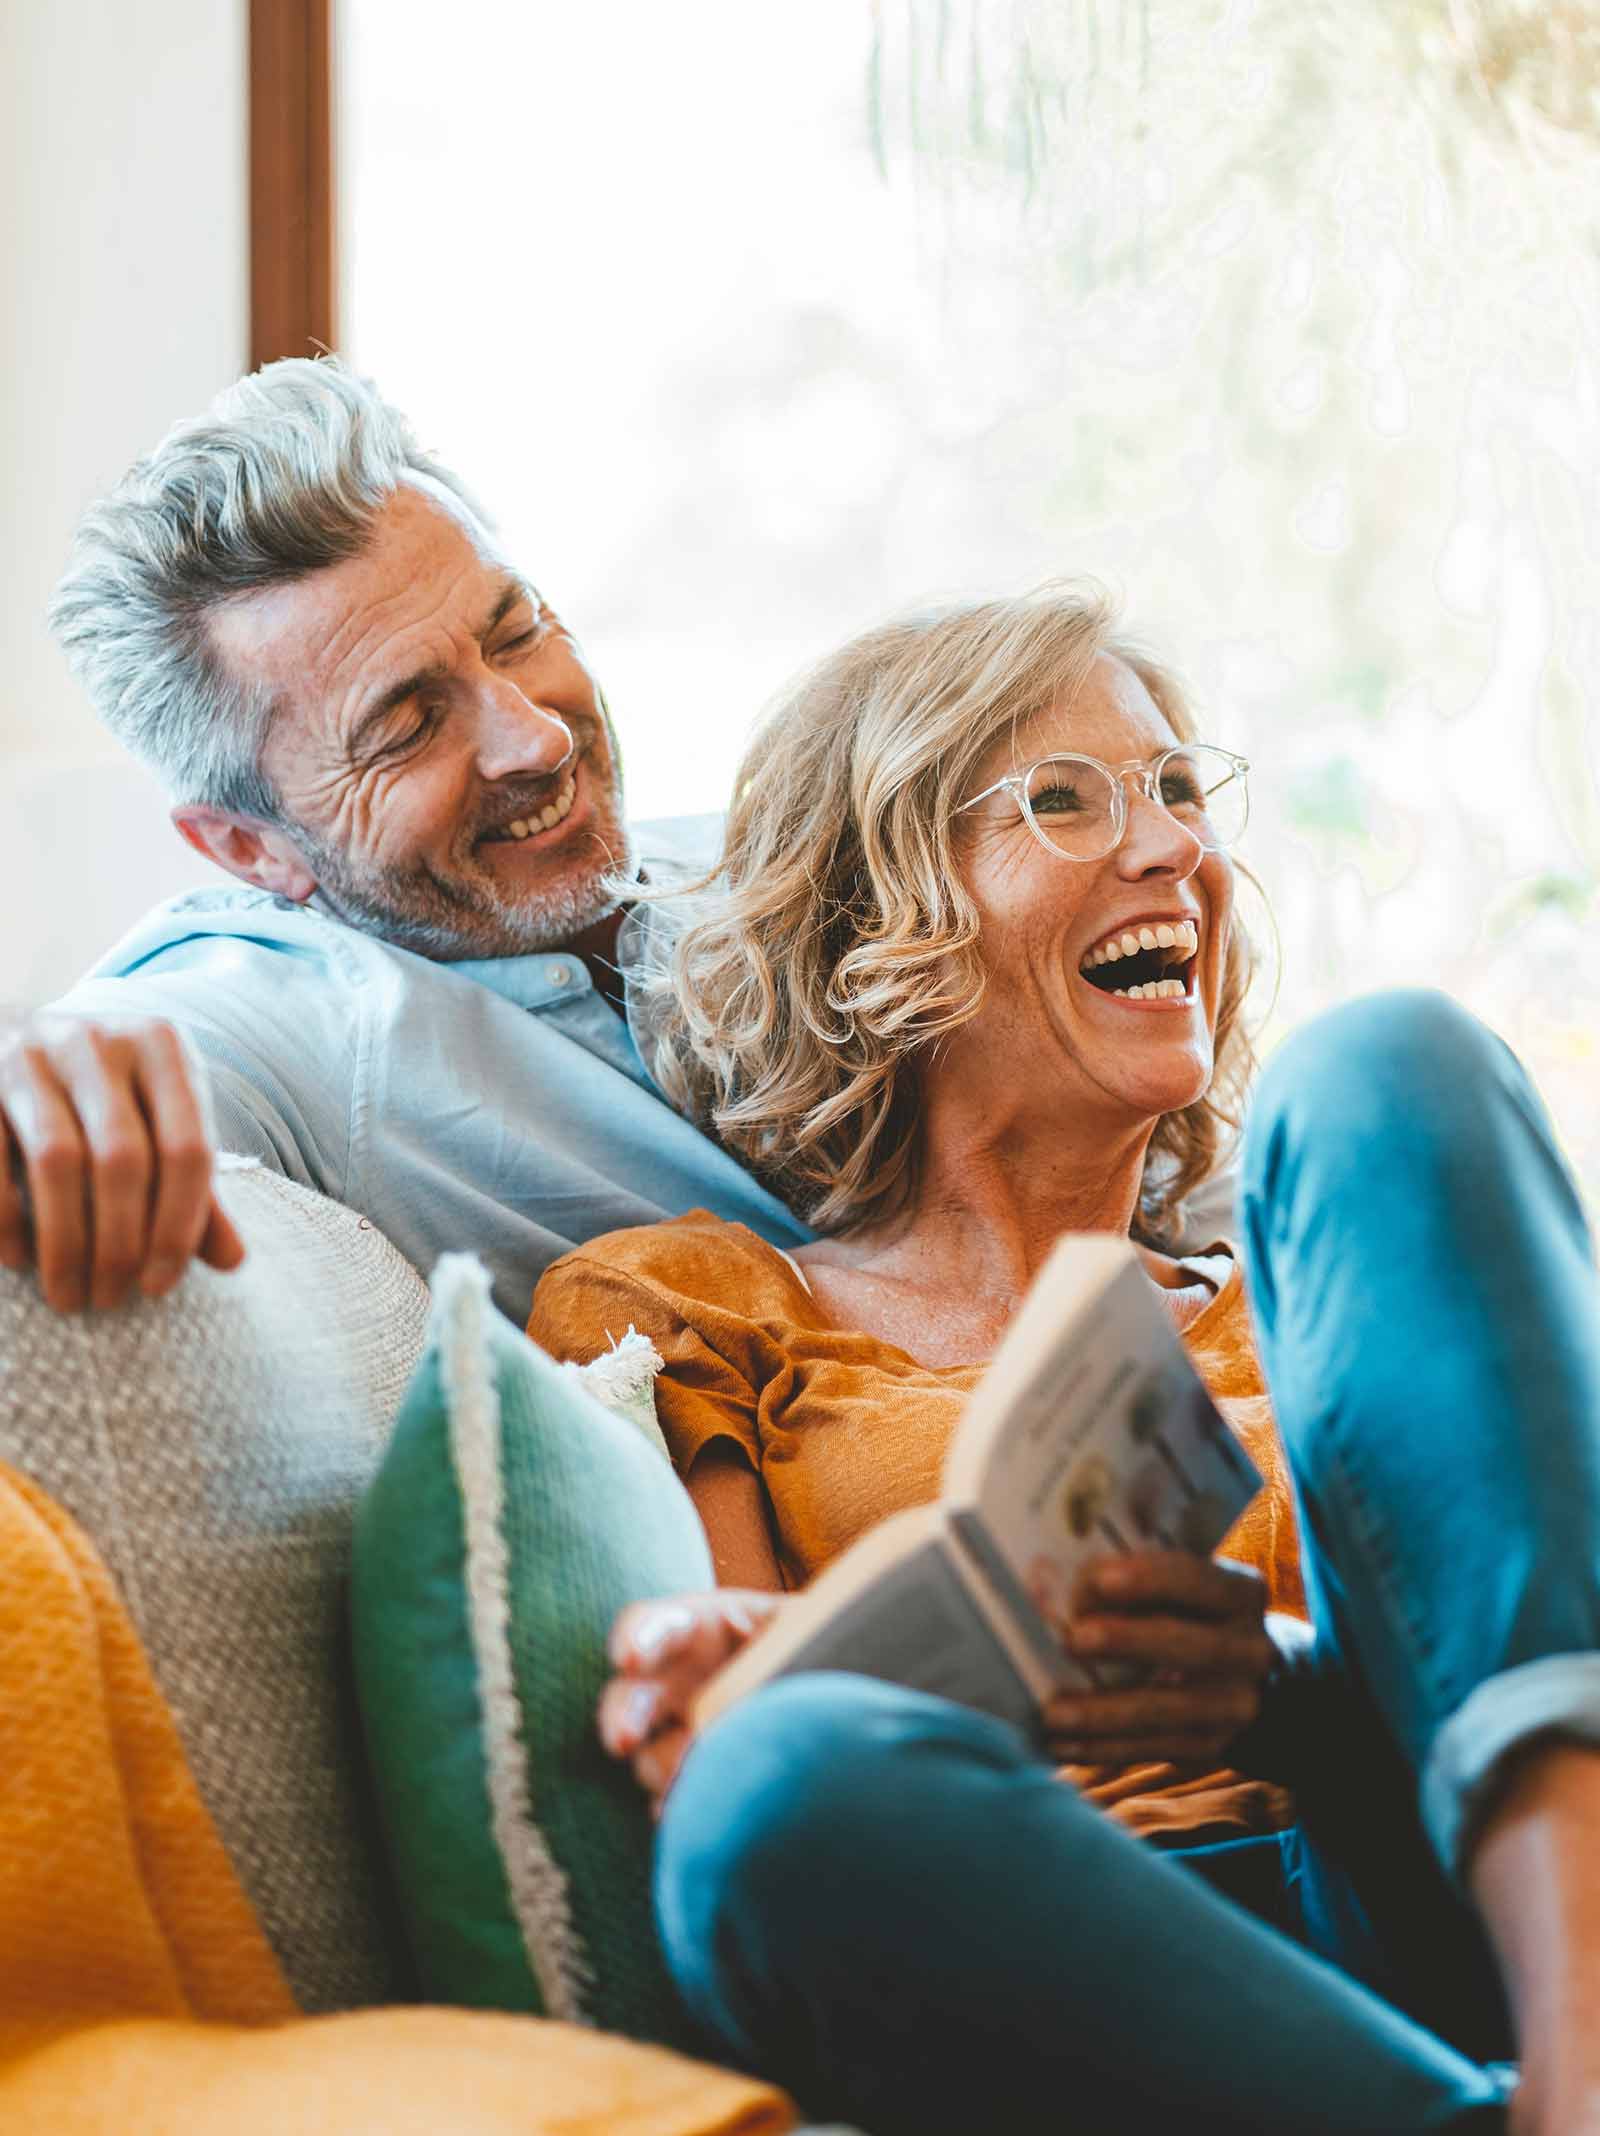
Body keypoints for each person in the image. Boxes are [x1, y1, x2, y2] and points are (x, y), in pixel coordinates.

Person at [529, 589, 1600, 2134]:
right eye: (1061, 799)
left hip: (1451, 1894)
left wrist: (1286, 1696)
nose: (1174, 848)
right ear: (877, 918)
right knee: (776, 1781)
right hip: (1056, 1959)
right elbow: (734, 1726)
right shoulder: (697, 1307)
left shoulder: (1326, 1281)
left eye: (1176, 790)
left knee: (1389, 1070)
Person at [2, 357, 805, 1318]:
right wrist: (40, 1081)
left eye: (516, 635)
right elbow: (137, 1045)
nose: (540, 738)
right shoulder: (299, 1022)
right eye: (406, 725)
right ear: (251, 849)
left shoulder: (759, 853)